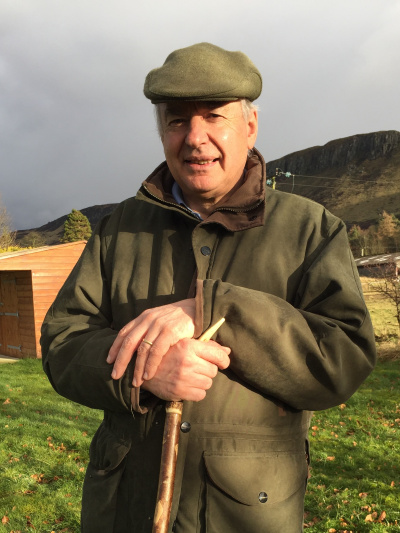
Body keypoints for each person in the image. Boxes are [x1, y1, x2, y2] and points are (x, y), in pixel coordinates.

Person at [40, 42, 376, 533]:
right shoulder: (119, 229)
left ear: (250, 126)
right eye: (177, 120)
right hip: (125, 510)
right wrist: (145, 372)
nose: (195, 138)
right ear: (162, 132)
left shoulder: (311, 230)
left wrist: (211, 309)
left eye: (214, 116)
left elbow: (342, 360)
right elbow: (62, 343)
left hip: (249, 514)